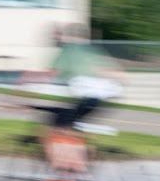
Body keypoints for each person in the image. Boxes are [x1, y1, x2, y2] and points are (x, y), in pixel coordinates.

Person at [43, 22, 123, 172]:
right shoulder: (93, 51)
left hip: (88, 98)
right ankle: (86, 159)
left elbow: (51, 74)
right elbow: (116, 73)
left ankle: (70, 164)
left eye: (58, 35)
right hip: (103, 99)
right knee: (74, 123)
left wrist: (23, 80)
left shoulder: (68, 51)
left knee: (55, 124)